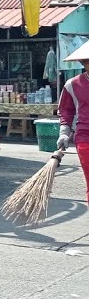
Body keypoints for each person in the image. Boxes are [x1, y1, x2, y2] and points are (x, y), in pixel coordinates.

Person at [55, 45, 89, 202]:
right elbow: (66, 111)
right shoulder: (72, 84)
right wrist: (63, 132)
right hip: (85, 138)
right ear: (83, 63)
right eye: (87, 62)